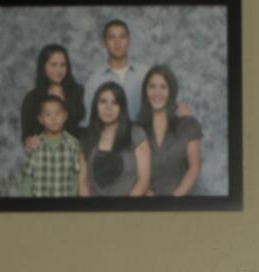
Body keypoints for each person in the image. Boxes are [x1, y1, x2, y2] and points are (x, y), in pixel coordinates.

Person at [140, 66, 203, 198]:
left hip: (184, 202)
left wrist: (174, 200)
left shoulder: (188, 124)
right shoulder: (137, 129)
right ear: (145, 91)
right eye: (152, 86)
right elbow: (131, 170)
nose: (157, 93)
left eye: (163, 87)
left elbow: (195, 166)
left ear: (171, 92)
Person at [82, 83, 151, 198]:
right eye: (103, 101)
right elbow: (83, 182)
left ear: (121, 108)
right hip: (95, 212)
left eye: (114, 102)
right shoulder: (87, 138)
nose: (108, 107)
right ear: (96, 105)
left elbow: (143, 181)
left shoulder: (136, 134)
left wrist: (123, 210)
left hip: (128, 210)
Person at [19, 93, 89, 198]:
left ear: (65, 116)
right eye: (48, 114)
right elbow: (28, 177)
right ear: (40, 119)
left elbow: (75, 177)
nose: (53, 118)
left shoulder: (74, 145)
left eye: (57, 113)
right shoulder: (35, 144)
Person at [19, 44, 86, 152]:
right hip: (47, 156)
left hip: (77, 153)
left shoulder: (79, 92)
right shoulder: (32, 98)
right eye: (53, 64)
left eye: (63, 65)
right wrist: (29, 140)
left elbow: (89, 125)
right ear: (43, 66)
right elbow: (27, 133)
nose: (59, 70)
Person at [84, 18, 145, 121]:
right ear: (104, 43)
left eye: (122, 37)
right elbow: (90, 121)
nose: (117, 42)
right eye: (112, 37)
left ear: (129, 41)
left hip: (142, 135)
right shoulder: (94, 81)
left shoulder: (145, 74)